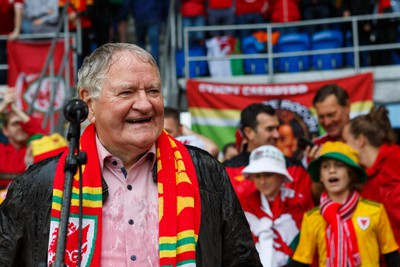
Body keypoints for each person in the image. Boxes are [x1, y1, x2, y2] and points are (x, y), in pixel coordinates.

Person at [0, 43, 262, 266]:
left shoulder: (206, 173)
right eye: (127, 92)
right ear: (88, 103)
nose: (145, 104)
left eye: (153, 91)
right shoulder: (39, 185)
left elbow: (242, 260)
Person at [290, 141, 400, 267]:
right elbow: (300, 262)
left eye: (339, 166)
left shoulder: (374, 211)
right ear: (320, 176)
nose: (332, 171)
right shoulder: (312, 218)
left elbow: (393, 258)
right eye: (325, 167)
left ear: (351, 173)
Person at [223, 103, 314, 207]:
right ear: (249, 133)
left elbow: (307, 210)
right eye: (269, 129)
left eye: (277, 128)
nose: (276, 135)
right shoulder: (226, 171)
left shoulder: (295, 169)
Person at [241, 145, 312, 266]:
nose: (263, 181)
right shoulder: (245, 206)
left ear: (280, 176)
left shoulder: (299, 204)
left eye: (268, 175)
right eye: (257, 176)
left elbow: (307, 247)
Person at [342, 105, 400, 249]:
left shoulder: (395, 157)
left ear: (360, 140)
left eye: (345, 141)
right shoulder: (360, 179)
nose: (343, 147)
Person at [0, 87, 45, 188]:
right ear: (5, 131)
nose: (20, 127)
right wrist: (4, 104)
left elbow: (40, 133)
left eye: (23, 123)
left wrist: (15, 109)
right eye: (15, 123)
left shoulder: (34, 150)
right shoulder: (1, 150)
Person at [304, 84, 351, 161]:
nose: (326, 123)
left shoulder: (367, 139)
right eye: (321, 117)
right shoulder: (315, 149)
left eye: (331, 115)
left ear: (347, 107)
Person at [0, 0, 23, 84]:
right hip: (2, 36)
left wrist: (16, 30)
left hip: (12, 38)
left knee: (12, 64)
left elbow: (18, 13)